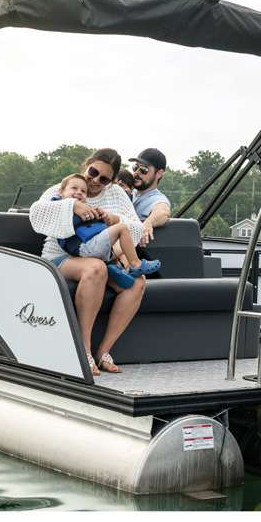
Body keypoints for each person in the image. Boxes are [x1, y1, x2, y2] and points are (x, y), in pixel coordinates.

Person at [29, 148, 146, 376]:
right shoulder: (69, 186)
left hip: (101, 257)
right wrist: (72, 205)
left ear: (111, 182)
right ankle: (84, 351)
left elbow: (136, 228)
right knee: (95, 268)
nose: (94, 181)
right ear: (87, 165)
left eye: (104, 179)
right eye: (93, 172)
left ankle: (103, 352)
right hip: (62, 257)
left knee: (137, 283)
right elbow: (36, 214)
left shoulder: (116, 196)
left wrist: (116, 219)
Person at [52, 173, 161, 290]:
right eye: (74, 188)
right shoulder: (60, 207)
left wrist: (99, 214)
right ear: (61, 192)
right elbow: (70, 220)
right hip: (84, 246)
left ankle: (114, 270)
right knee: (122, 228)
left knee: (120, 250)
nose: (79, 192)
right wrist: (75, 206)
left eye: (83, 191)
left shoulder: (84, 208)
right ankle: (136, 264)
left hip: (91, 246)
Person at [128, 148, 171, 247]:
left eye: (144, 169)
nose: (137, 172)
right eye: (135, 167)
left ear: (159, 174)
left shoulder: (156, 199)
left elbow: (163, 211)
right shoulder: (128, 193)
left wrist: (148, 223)